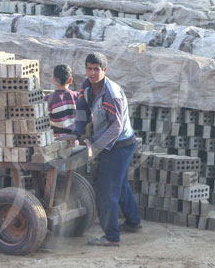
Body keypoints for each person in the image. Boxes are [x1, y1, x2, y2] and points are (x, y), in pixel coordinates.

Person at [67, 52, 142, 247]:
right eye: (89, 68)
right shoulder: (86, 87)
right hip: (109, 142)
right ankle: (134, 222)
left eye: (96, 69)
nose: (92, 73)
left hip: (121, 145)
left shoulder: (111, 94)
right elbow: (82, 111)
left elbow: (116, 128)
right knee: (120, 183)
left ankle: (111, 237)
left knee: (107, 190)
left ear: (104, 70)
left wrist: (94, 143)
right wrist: (76, 133)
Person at [45, 65, 78, 135]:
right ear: (70, 80)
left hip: (56, 138)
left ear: (53, 80)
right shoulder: (77, 96)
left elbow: (44, 120)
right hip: (73, 137)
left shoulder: (49, 99)